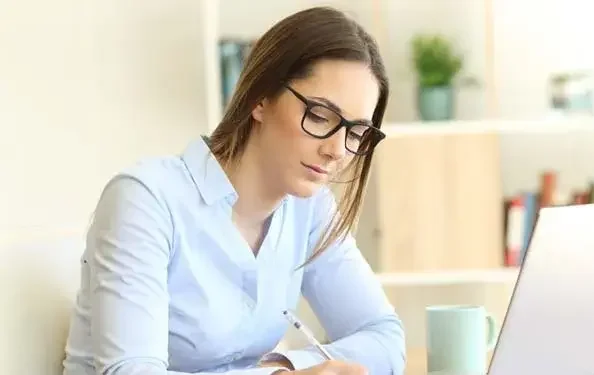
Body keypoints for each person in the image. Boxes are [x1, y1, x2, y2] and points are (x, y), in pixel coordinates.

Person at [62, 6, 406, 375]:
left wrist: (287, 366)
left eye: (355, 133)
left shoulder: (310, 209)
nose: (337, 150)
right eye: (320, 116)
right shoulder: (146, 198)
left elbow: (384, 338)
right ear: (260, 98)